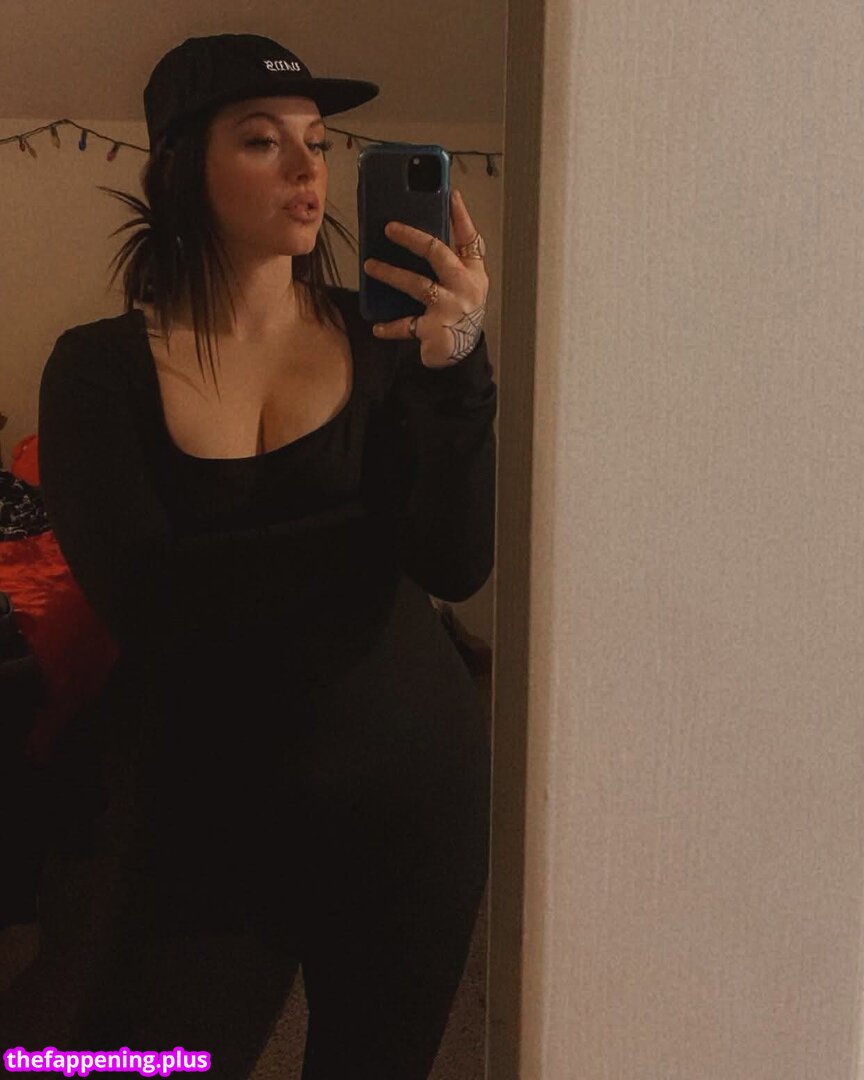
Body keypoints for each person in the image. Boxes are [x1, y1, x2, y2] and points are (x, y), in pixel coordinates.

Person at [0, 32, 496, 1079]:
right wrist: (365, 542)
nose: (309, 167)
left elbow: (455, 563)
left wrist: (458, 369)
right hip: (204, 808)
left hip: (410, 793)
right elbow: (149, 603)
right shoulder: (98, 369)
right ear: (183, 167)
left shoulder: (387, 344)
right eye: (264, 140)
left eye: (318, 140)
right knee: (140, 1059)